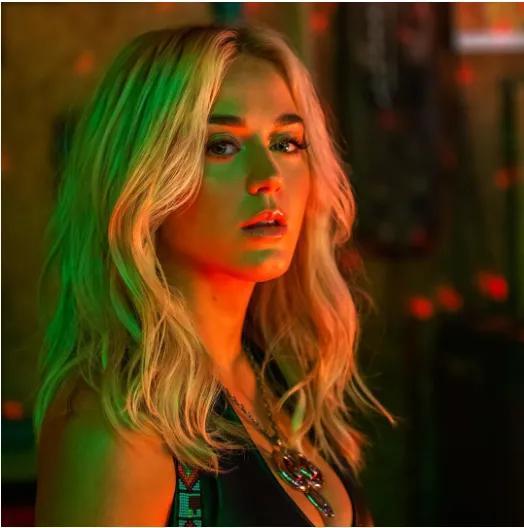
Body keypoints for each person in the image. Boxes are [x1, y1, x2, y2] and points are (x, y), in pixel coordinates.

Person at [33, 24, 397, 527]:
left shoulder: (285, 382)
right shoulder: (118, 432)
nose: (268, 177)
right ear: (144, 177)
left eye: (287, 143)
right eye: (221, 145)